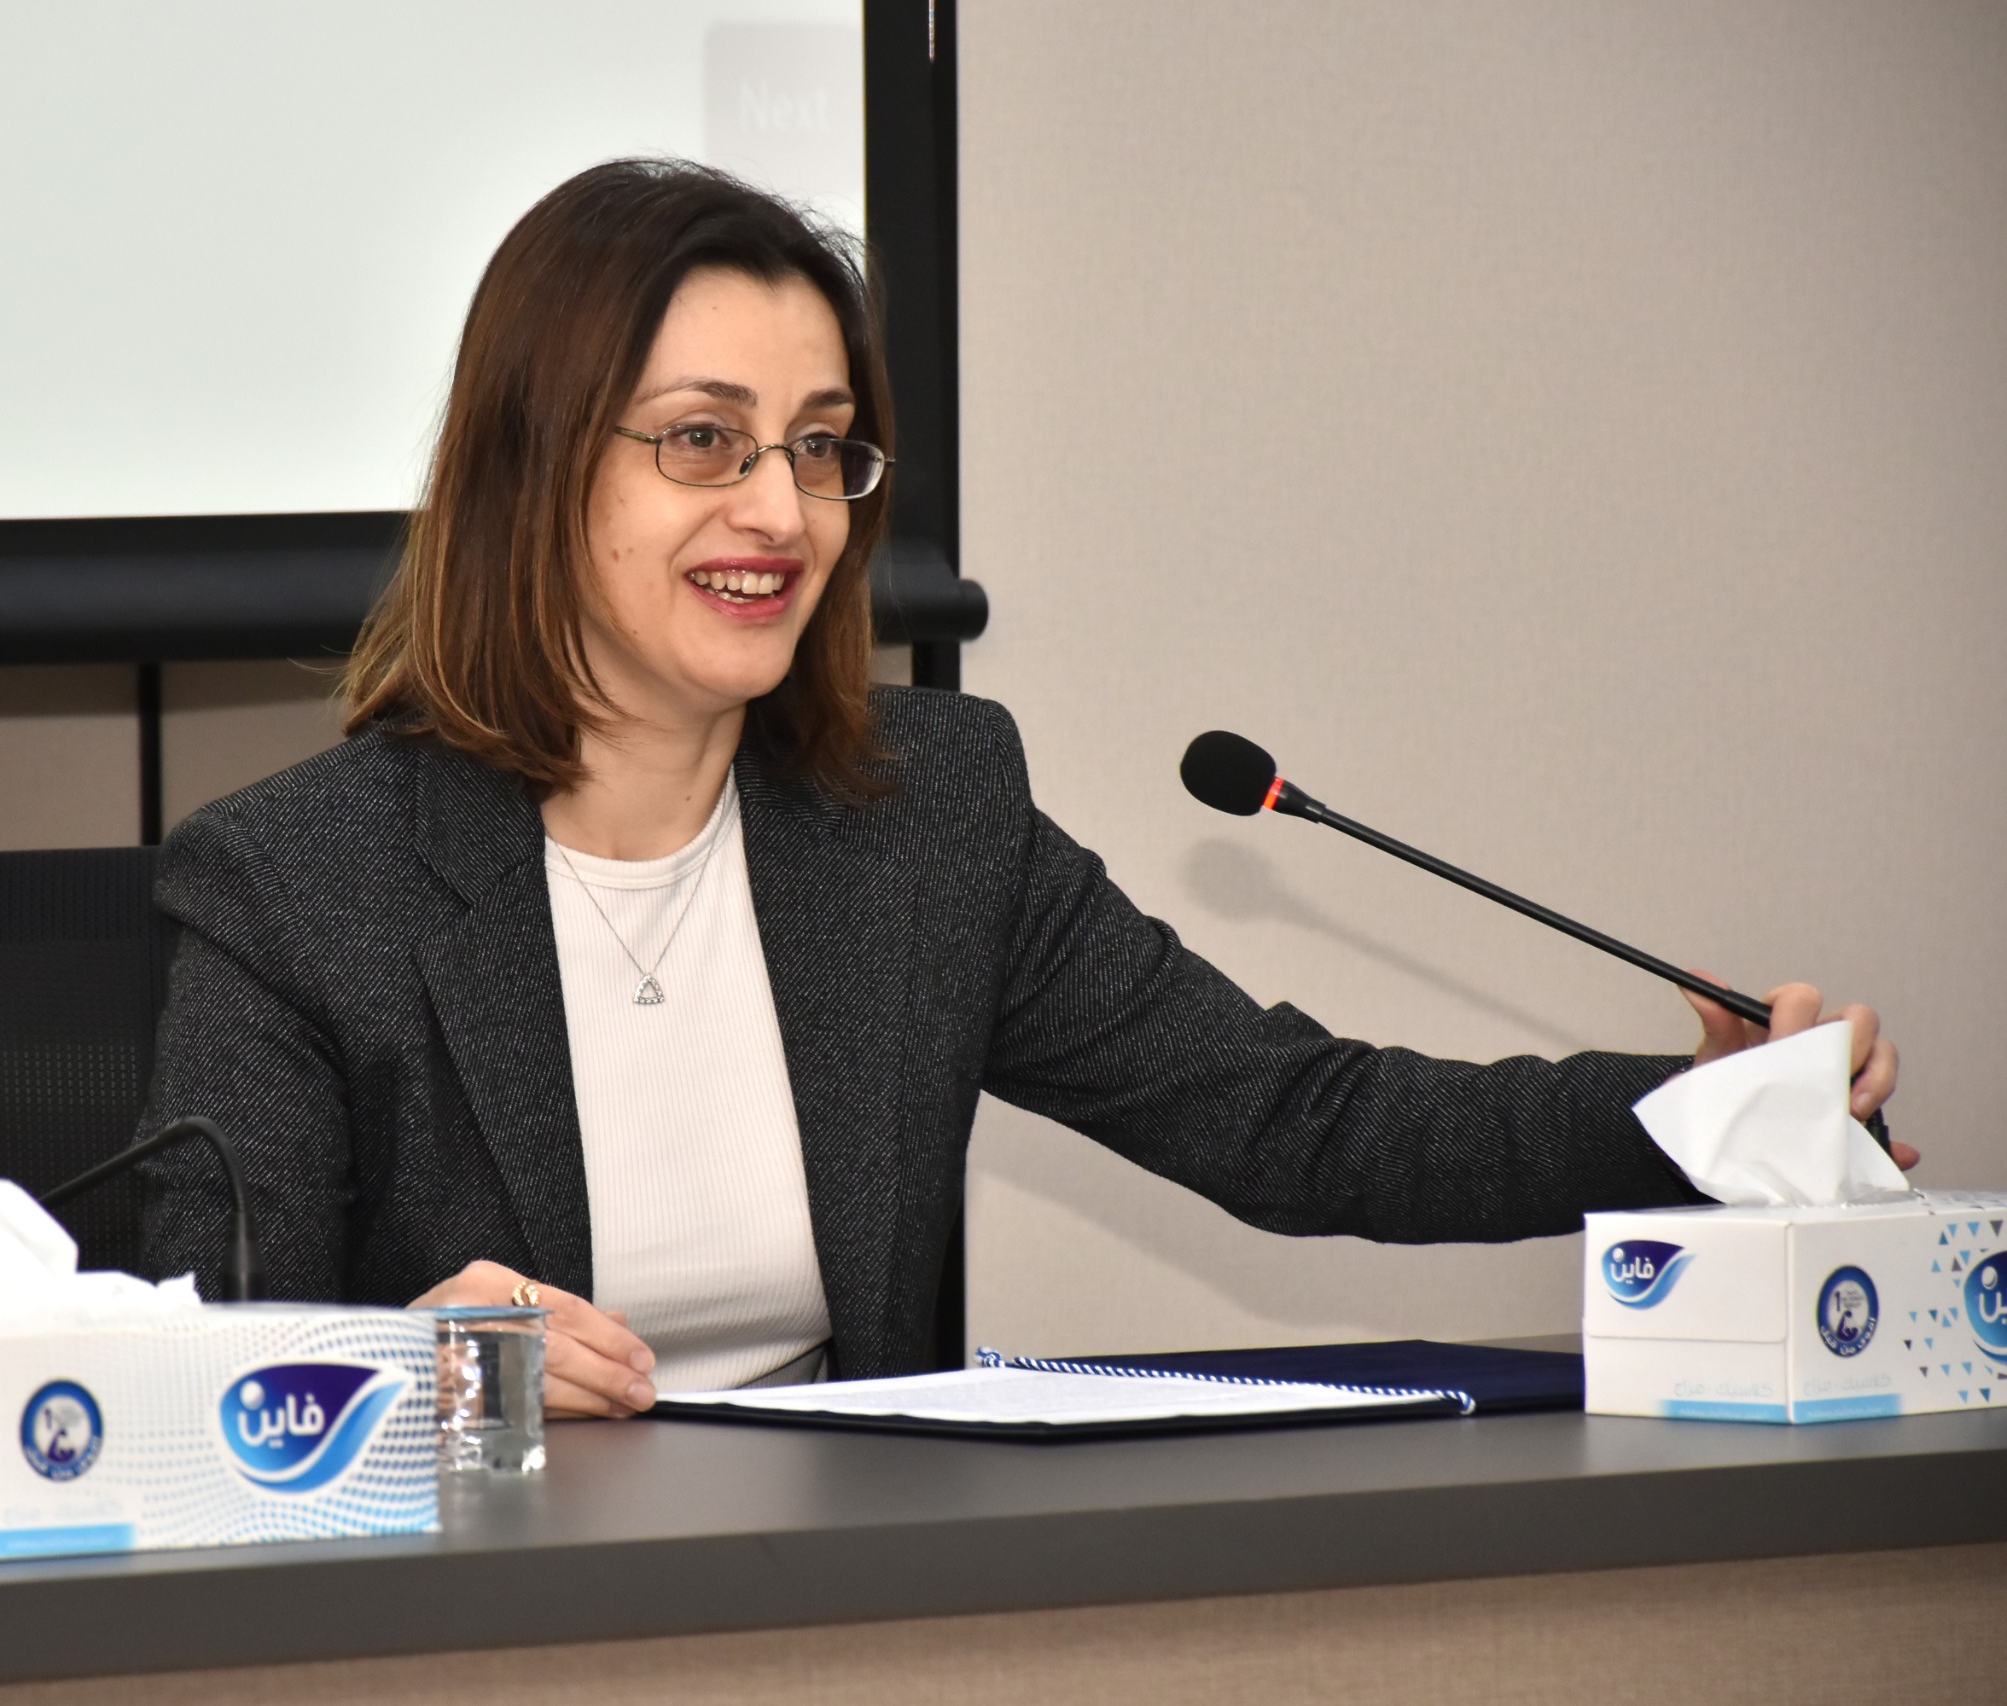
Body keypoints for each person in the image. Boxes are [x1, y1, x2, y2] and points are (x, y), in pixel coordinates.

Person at [135, 159, 1903, 1419]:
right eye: (703, 439)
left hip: (856, 1619)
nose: (780, 509)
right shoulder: (300, 885)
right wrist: (401, 1367)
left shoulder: (925, 820)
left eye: (819, 445)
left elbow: (1296, 1120)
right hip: (468, 1627)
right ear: (532, 469)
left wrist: (1697, 1117)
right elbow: (182, 1363)